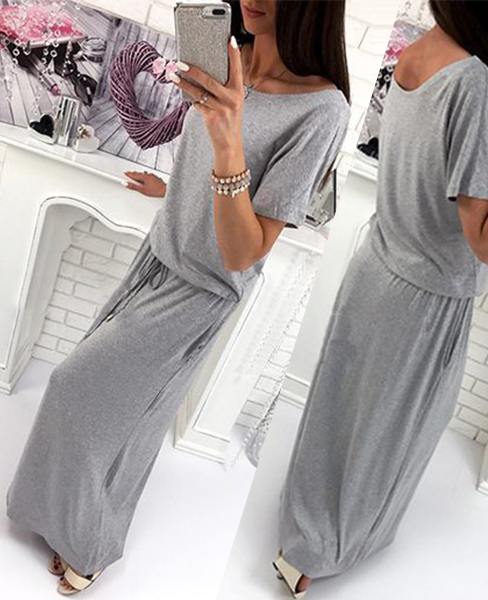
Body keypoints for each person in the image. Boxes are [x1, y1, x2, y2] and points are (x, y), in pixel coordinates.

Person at [5, 0, 350, 594]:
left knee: (72, 389)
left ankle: (87, 541)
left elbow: (246, 250)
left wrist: (228, 137)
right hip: (157, 256)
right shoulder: (230, 60)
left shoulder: (322, 110)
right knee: (127, 418)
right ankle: (80, 527)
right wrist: (171, 189)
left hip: (201, 289)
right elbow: (207, 176)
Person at [272, 1, 488, 597]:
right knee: (389, 434)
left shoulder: (421, 50)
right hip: (423, 297)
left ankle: (303, 527)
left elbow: (449, 168)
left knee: (342, 410)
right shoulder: (473, 82)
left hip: (380, 265)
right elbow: (487, 242)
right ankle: (317, 553)